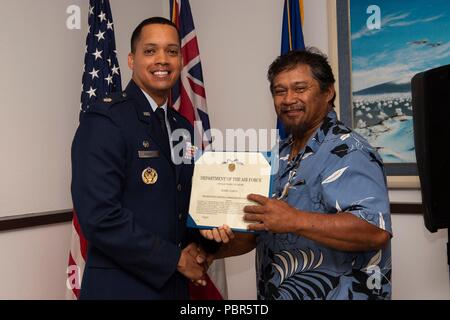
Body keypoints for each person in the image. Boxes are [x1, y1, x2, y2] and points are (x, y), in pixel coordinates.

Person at [203, 48, 392, 300]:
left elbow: (374, 230)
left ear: (328, 92)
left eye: (300, 88)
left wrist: (295, 220)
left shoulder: (351, 151)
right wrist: (210, 250)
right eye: (280, 91)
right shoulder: (277, 155)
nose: (288, 98)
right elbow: (257, 232)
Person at [71, 17, 215, 299]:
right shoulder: (106, 121)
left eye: (172, 51)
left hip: (173, 287)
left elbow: (183, 203)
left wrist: (202, 244)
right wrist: (174, 259)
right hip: (122, 289)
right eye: (150, 51)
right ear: (131, 60)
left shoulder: (182, 127)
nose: (162, 60)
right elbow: (100, 217)